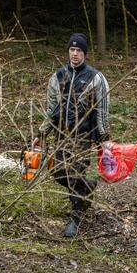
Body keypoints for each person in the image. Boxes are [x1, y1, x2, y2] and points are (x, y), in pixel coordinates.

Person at [38, 32, 112, 237]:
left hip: (83, 137)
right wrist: (41, 134)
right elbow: (52, 109)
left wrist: (104, 139)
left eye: (79, 50)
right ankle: (87, 186)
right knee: (58, 171)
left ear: (85, 53)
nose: (75, 54)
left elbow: (103, 110)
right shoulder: (58, 77)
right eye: (72, 49)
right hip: (62, 135)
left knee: (74, 172)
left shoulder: (96, 78)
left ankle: (76, 217)